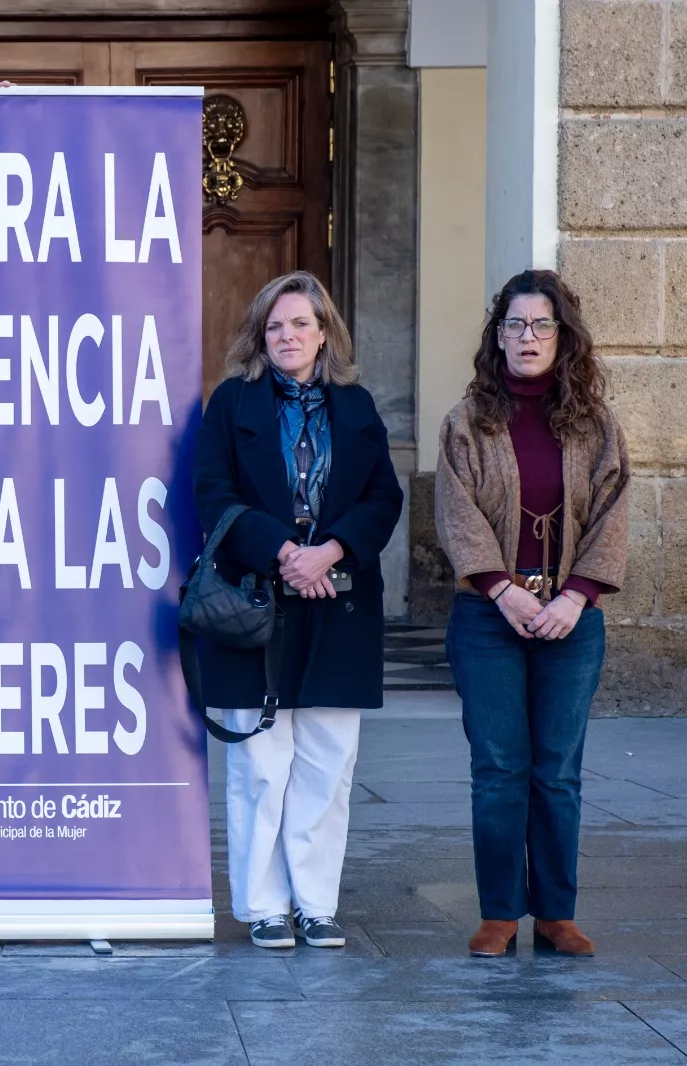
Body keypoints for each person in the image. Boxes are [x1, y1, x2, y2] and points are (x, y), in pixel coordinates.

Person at [194, 270, 403, 951]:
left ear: (324, 334)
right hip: (256, 601)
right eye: (275, 325)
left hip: (337, 604)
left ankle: (315, 904)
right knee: (258, 766)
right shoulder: (231, 403)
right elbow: (213, 492)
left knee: (326, 764)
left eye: (301, 325)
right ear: (262, 334)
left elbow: (382, 497)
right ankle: (263, 906)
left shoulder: (357, 405)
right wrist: (286, 552)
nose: (288, 336)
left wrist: (330, 552)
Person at [436, 270, 628, 959]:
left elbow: (614, 511)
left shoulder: (594, 423)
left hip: (571, 619)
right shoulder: (467, 420)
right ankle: (498, 912)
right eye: (514, 325)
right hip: (489, 617)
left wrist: (576, 594)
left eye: (541, 325)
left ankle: (554, 912)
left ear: (562, 336)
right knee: (498, 768)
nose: (527, 337)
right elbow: (455, 513)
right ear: (497, 337)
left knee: (557, 771)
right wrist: (502, 590)